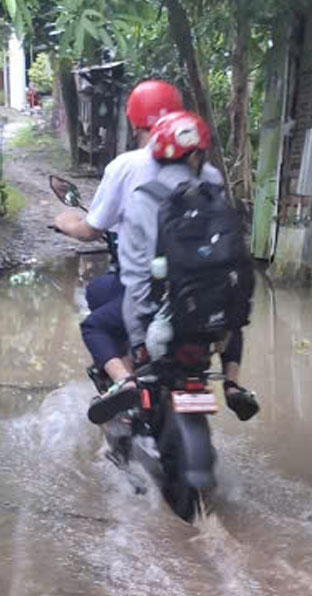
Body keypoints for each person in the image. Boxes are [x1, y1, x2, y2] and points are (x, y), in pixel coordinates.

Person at [87, 110, 259, 426]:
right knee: (229, 312)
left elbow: (136, 273)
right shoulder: (215, 193)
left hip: (160, 314)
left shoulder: (143, 197)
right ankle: (233, 384)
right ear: (197, 156)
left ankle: (125, 382)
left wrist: (141, 331)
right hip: (214, 315)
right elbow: (236, 260)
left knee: (94, 325)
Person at [54, 79, 186, 380]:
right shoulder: (202, 168)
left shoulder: (126, 165)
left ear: (136, 125)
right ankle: (231, 382)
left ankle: (124, 382)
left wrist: (65, 223)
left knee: (95, 318)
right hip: (200, 286)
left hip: (147, 284)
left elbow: (91, 231)